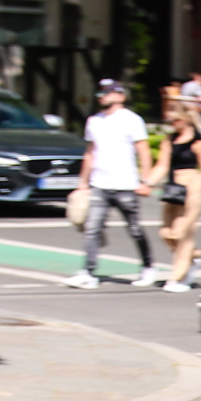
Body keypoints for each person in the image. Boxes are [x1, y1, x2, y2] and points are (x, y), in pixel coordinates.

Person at [64, 79, 163, 289]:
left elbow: (143, 151)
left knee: (134, 229)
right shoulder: (94, 121)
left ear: (120, 96)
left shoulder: (132, 120)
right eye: (100, 93)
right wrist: (83, 182)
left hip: (126, 184)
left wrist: (146, 181)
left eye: (107, 93)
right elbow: (90, 153)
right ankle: (89, 272)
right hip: (100, 183)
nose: (101, 96)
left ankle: (148, 267)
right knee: (92, 228)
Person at [154, 99, 201, 294]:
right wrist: (146, 183)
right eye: (170, 121)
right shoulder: (169, 141)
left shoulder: (198, 143)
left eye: (175, 121)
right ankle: (194, 257)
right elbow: (162, 166)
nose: (172, 124)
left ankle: (177, 277)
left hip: (192, 186)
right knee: (166, 233)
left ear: (185, 119)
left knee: (184, 233)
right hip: (173, 187)